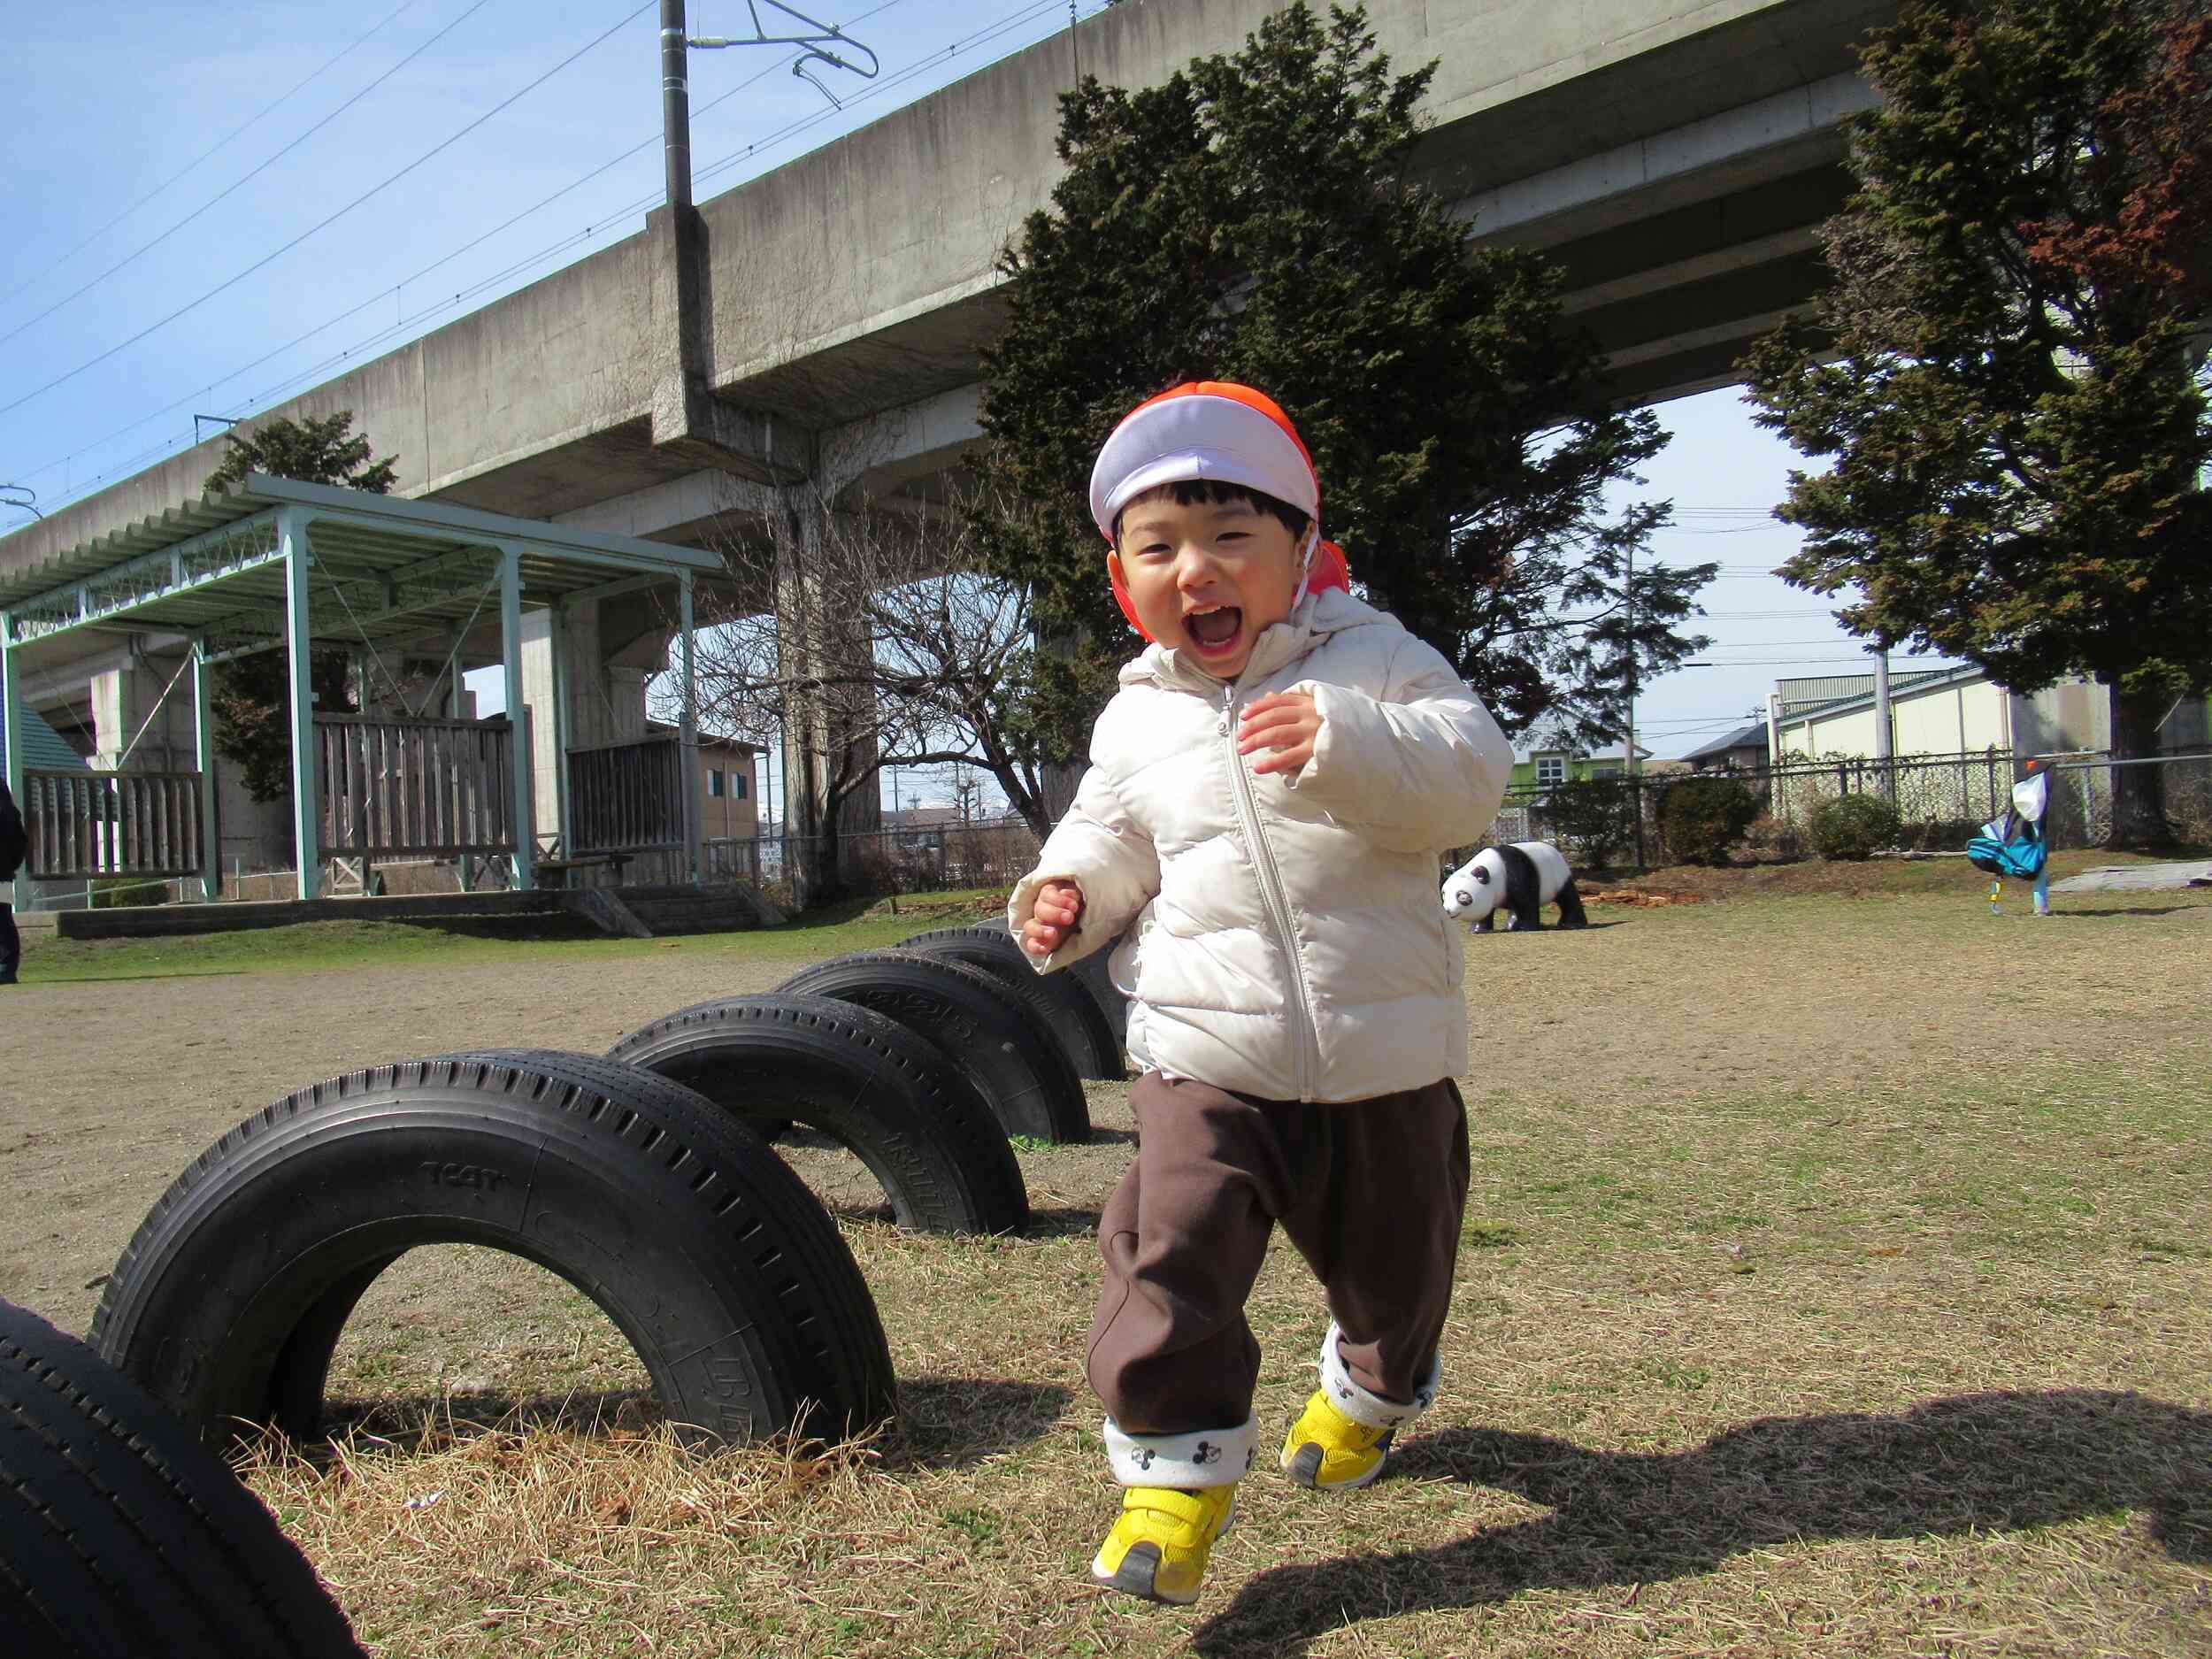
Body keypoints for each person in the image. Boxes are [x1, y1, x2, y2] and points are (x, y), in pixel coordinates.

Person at [1009, 382, 1513, 1605]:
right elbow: (1111, 833)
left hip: (1379, 1047)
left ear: (1299, 546)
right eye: (1159, 547)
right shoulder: (1137, 716)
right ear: (1122, 578)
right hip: (1204, 1046)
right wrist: (1065, 889)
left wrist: (1350, 741)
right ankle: (1172, 1483)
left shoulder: (1376, 658)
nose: (1198, 570)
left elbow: (1472, 778)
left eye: (1232, 536)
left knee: (1399, 1270)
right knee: (1167, 1251)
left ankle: (1371, 1388)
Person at [0, 776, 26, 985]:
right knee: (3, 919)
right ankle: (7, 968)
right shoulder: (9, 812)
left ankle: (6, 967)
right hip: (3, 873)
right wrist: (10, 865)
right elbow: (19, 844)